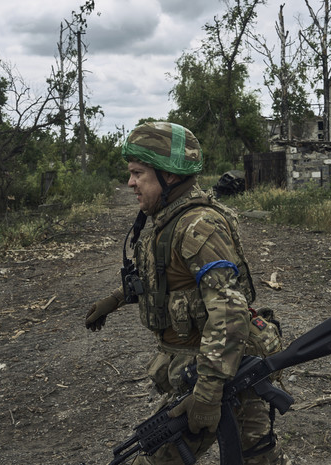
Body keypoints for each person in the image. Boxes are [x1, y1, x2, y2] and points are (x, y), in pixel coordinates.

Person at [85, 121, 285, 464]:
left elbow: (229, 311)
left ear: (169, 176)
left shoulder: (198, 226)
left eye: (137, 173)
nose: (130, 183)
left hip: (223, 368)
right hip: (210, 364)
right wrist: (117, 299)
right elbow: (167, 281)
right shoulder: (168, 219)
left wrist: (207, 394)